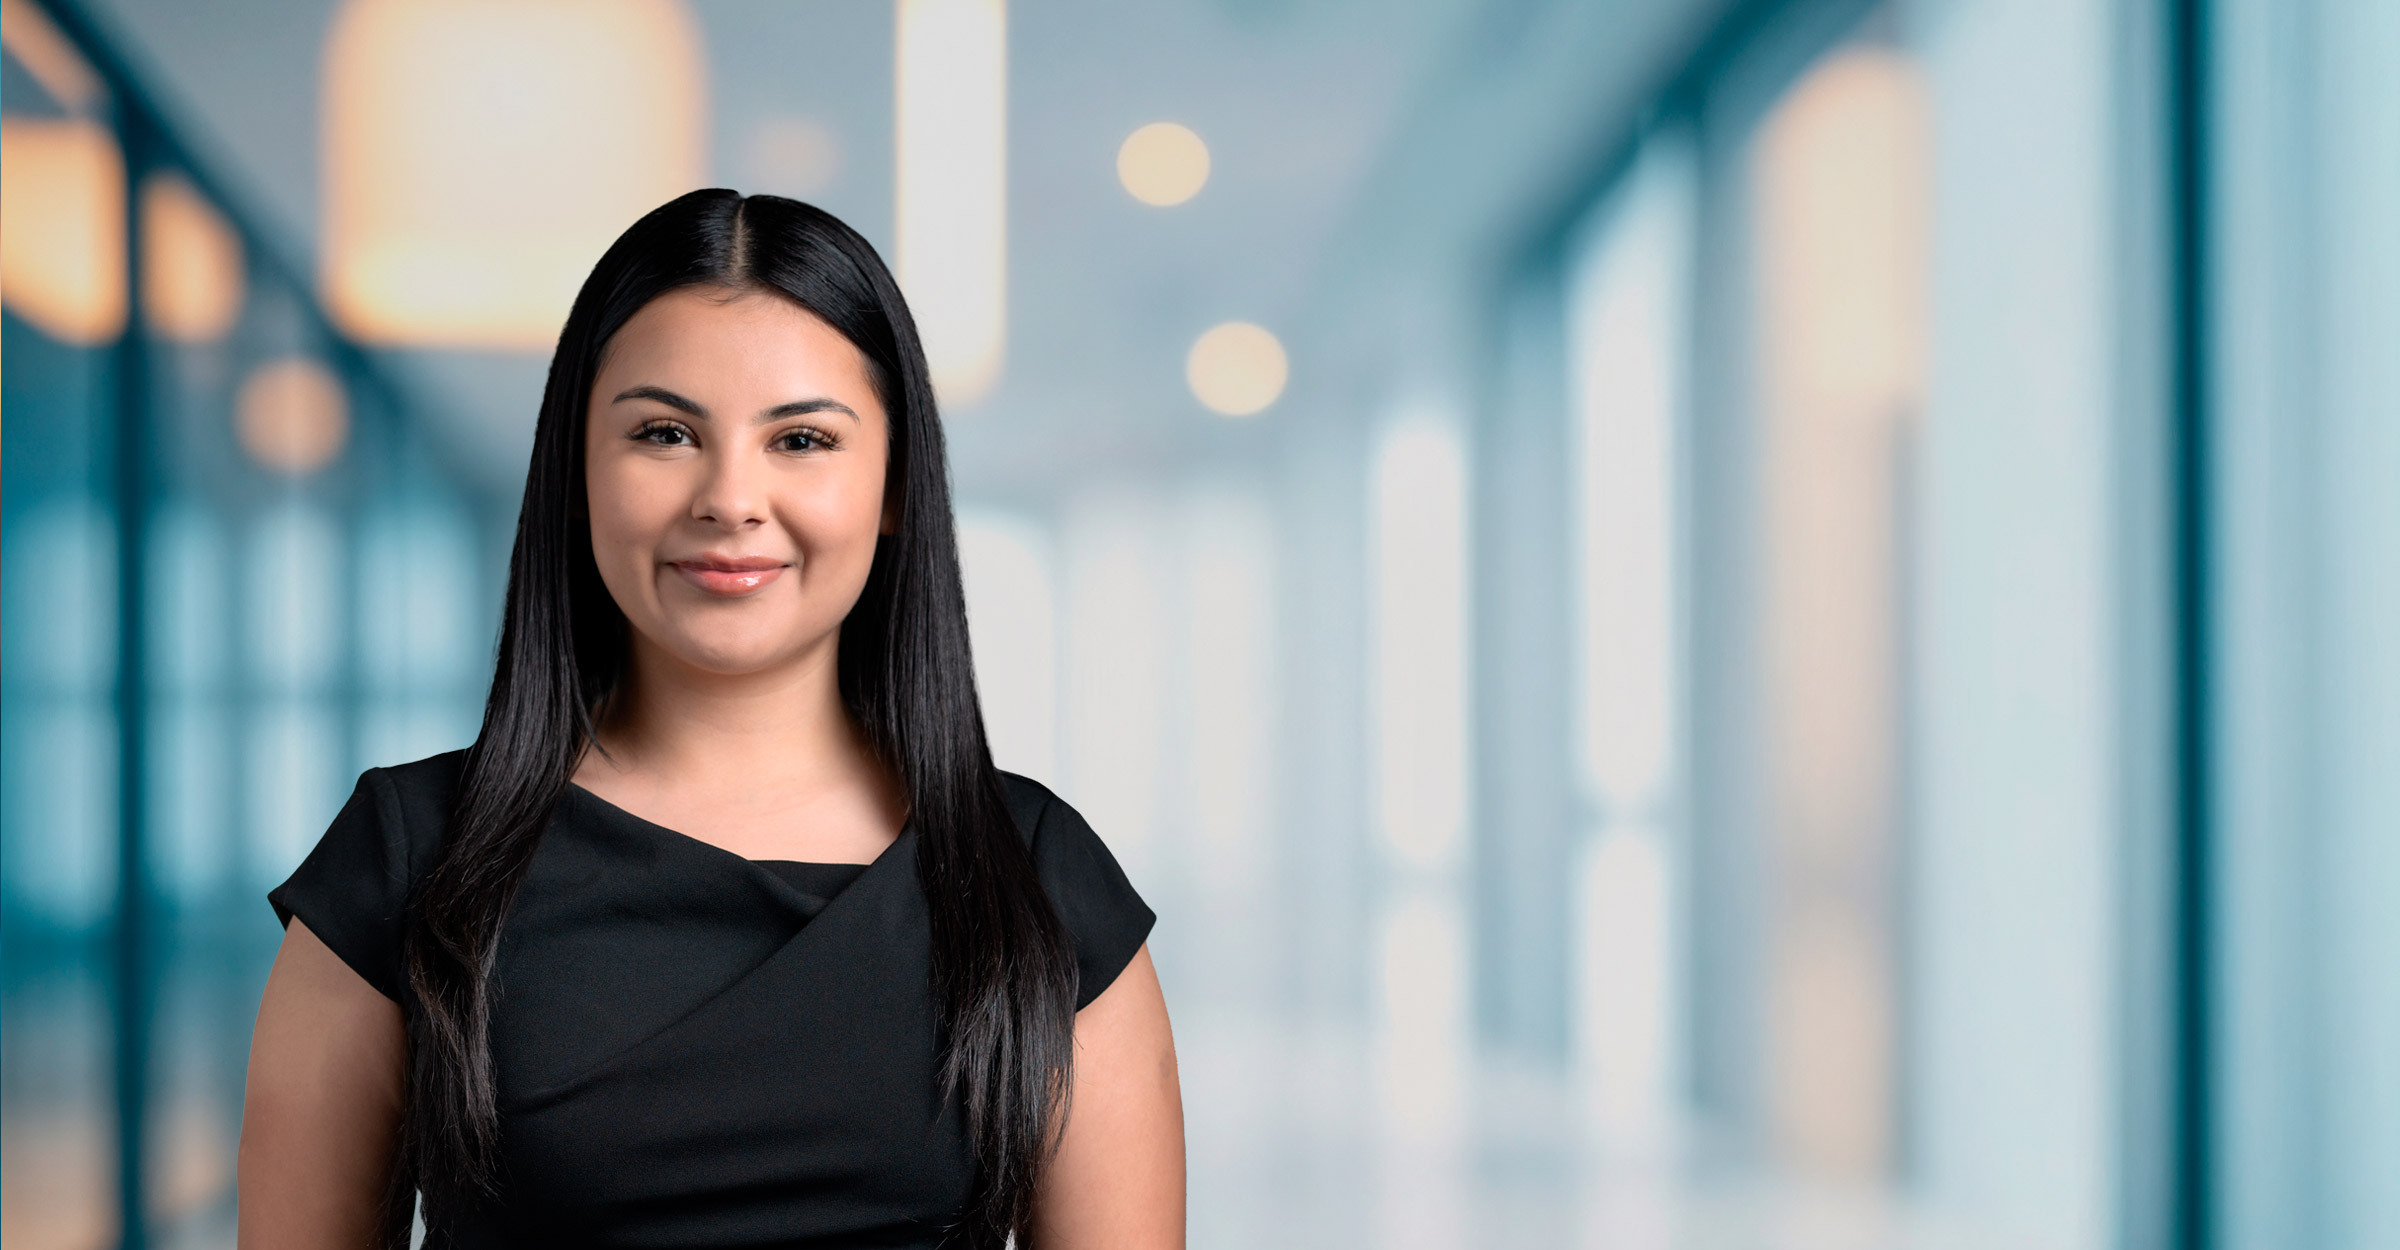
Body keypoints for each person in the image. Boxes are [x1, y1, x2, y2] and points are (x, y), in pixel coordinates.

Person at [235, 190, 1184, 1249]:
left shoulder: (1038, 879)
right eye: (665, 431)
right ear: (579, 471)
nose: (730, 497)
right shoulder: (408, 857)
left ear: (897, 484)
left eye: (803, 439)